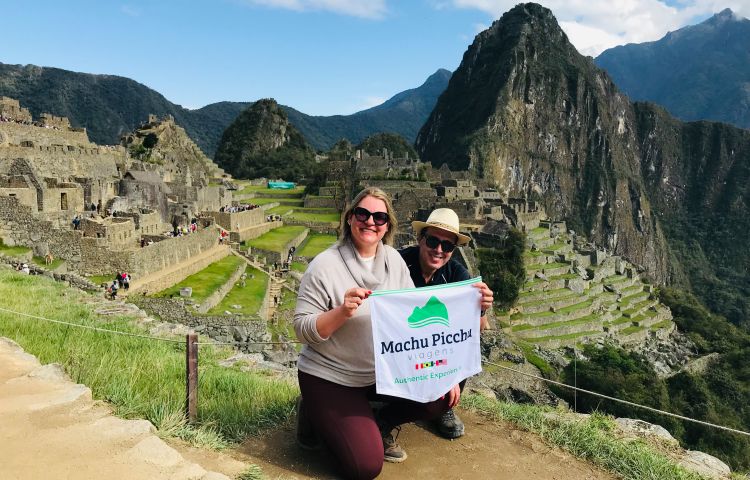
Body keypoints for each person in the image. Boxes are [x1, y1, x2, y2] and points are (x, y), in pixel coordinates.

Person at [295, 187, 459, 480]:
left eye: (379, 217)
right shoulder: (324, 266)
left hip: (379, 374)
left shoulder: (393, 262)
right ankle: (314, 413)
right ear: (350, 218)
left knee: (440, 397)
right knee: (364, 467)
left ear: (387, 226)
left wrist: (442, 370)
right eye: (363, 213)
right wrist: (341, 312)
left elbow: (412, 318)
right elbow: (302, 329)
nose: (371, 222)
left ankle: (378, 422)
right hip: (331, 375)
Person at [399, 208, 494, 439]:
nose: (439, 250)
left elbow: (478, 329)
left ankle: (444, 407)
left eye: (447, 246)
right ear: (420, 239)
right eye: (432, 240)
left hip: (432, 349)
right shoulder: (398, 263)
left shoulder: (456, 275)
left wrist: (480, 307)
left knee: (465, 342)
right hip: (402, 345)